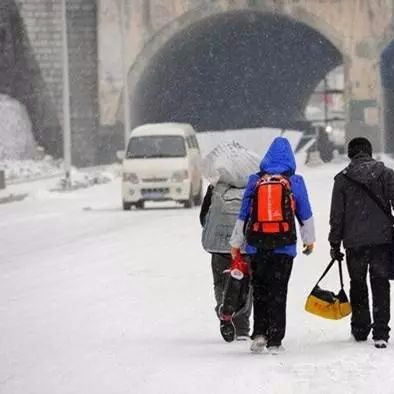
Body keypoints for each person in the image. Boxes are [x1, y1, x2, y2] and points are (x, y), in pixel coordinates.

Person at [230, 137, 315, 353]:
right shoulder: (295, 181)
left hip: (256, 246)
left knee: (259, 290)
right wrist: (309, 241)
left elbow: (243, 215)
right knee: (279, 291)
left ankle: (259, 334)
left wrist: (236, 244)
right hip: (284, 247)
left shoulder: (254, 180)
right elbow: (305, 215)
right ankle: (275, 340)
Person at [329, 137, 394, 349]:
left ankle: (360, 328)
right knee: (380, 283)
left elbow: (337, 215)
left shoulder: (342, 179)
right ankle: (381, 332)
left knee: (357, 284)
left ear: (350, 154)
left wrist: (334, 243)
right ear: (370, 152)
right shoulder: (386, 174)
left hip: (354, 242)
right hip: (382, 240)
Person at [200, 182, 252, 342]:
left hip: (219, 246)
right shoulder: (252, 186)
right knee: (245, 284)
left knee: (220, 283)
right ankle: (242, 327)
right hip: (243, 247)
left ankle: (224, 310)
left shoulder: (216, 188)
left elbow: (204, 218)